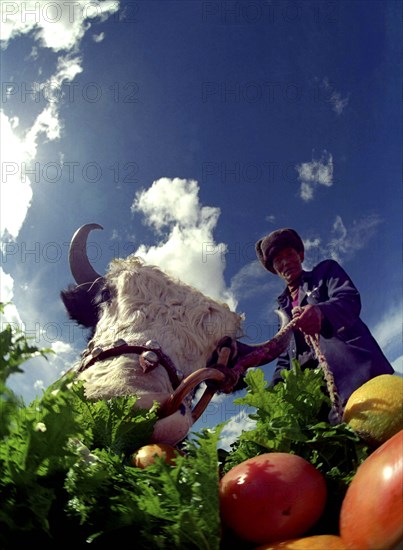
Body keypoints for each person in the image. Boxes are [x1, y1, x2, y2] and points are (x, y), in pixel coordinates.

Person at [255, 228, 394, 414]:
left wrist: (321, 313)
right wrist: (271, 398)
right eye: (278, 260)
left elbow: (349, 299)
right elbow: (284, 359)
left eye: (290, 254)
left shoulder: (326, 272)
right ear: (275, 270)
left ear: (301, 255)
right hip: (321, 404)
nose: (286, 262)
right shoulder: (283, 311)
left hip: (360, 378)